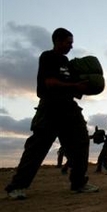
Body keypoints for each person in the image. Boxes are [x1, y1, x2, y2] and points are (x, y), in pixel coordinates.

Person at [5, 28, 99, 200]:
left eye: (72, 43)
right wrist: (74, 87)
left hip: (69, 108)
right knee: (37, 148)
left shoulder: (66, 61)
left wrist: (86, 86)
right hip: (50, 108)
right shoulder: (48, 57)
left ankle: (78, 183)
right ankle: (17, 187)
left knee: (81, 143)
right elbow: (50, 83)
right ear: (58, 41)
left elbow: (71, 83)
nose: (71, 46)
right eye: (68, 42)